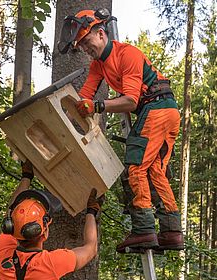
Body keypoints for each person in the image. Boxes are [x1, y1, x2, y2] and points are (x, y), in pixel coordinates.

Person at [58, 8, 184, 251]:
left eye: (86, 41)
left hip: (157, 110)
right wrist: (69, 112)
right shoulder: (98, 66)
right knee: (156, 170)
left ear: (101, 33)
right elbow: (85, 96)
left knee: (136, 168)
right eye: (81, 45)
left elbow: (130, 101)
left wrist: (97, 106)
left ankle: (144, 230)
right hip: (164, 111)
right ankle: (171, 232)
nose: (84, 48)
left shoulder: (128, 54)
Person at [0, 160, 103, 280]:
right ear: (44, 231)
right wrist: (91, 211)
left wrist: (26, 177)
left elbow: (10, 213)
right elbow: (90, 247)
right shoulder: (51, 263)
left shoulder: (2, 252)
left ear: (11, 228)